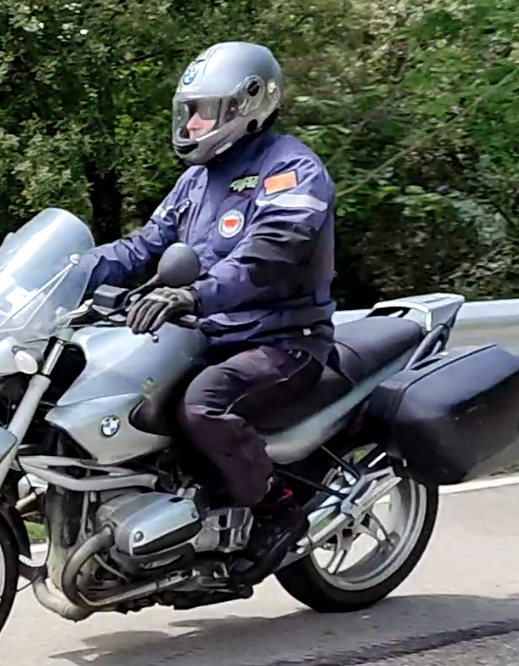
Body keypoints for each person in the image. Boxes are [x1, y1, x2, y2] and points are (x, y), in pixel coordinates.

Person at [83, 41, 337, 554]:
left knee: (204, 405)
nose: (192, 124)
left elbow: (266, 261)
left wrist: (192, 296)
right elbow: (144, 245)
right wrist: (70, 272)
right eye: (188, 113)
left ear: (247, 105)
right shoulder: (196, 182)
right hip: (211, 336)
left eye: (202, 112)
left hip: (283, 340)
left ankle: (272, 504)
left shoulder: (291, 171)